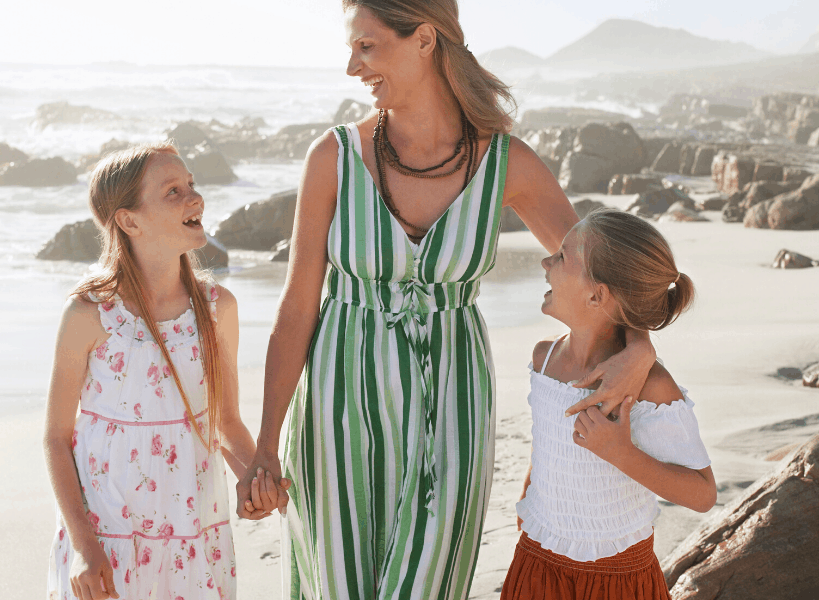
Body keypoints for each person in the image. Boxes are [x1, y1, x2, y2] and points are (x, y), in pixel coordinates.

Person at [236, 2, 659, 599]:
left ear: (425, 40)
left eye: (367, 47)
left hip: (453, 405)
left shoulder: (506, 164)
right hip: (337, 408)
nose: (352, 68)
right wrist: (265, 446)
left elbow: (601, 273)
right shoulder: (333, 158)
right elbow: (297, 311)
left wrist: (639, 348)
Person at [43, 144, 282, 600]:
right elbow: (56, 437)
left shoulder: (216, 309)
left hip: (192, 527)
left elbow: (225, 421)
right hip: (107, 533)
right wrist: (83, 545)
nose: (195, 198)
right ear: (129, 221)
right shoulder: (90, 313)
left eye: (192, 184)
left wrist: (253, 480)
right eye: (173, 191)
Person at [503, 209, 717, 599]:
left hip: (616, 580)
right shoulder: (543, 359)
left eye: (562, 257)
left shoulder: (650, 385)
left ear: (597, 295)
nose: (546, 262)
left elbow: (703, 494)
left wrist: (622, 453)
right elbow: (547, 446)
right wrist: (528, 497)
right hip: (537, 563)